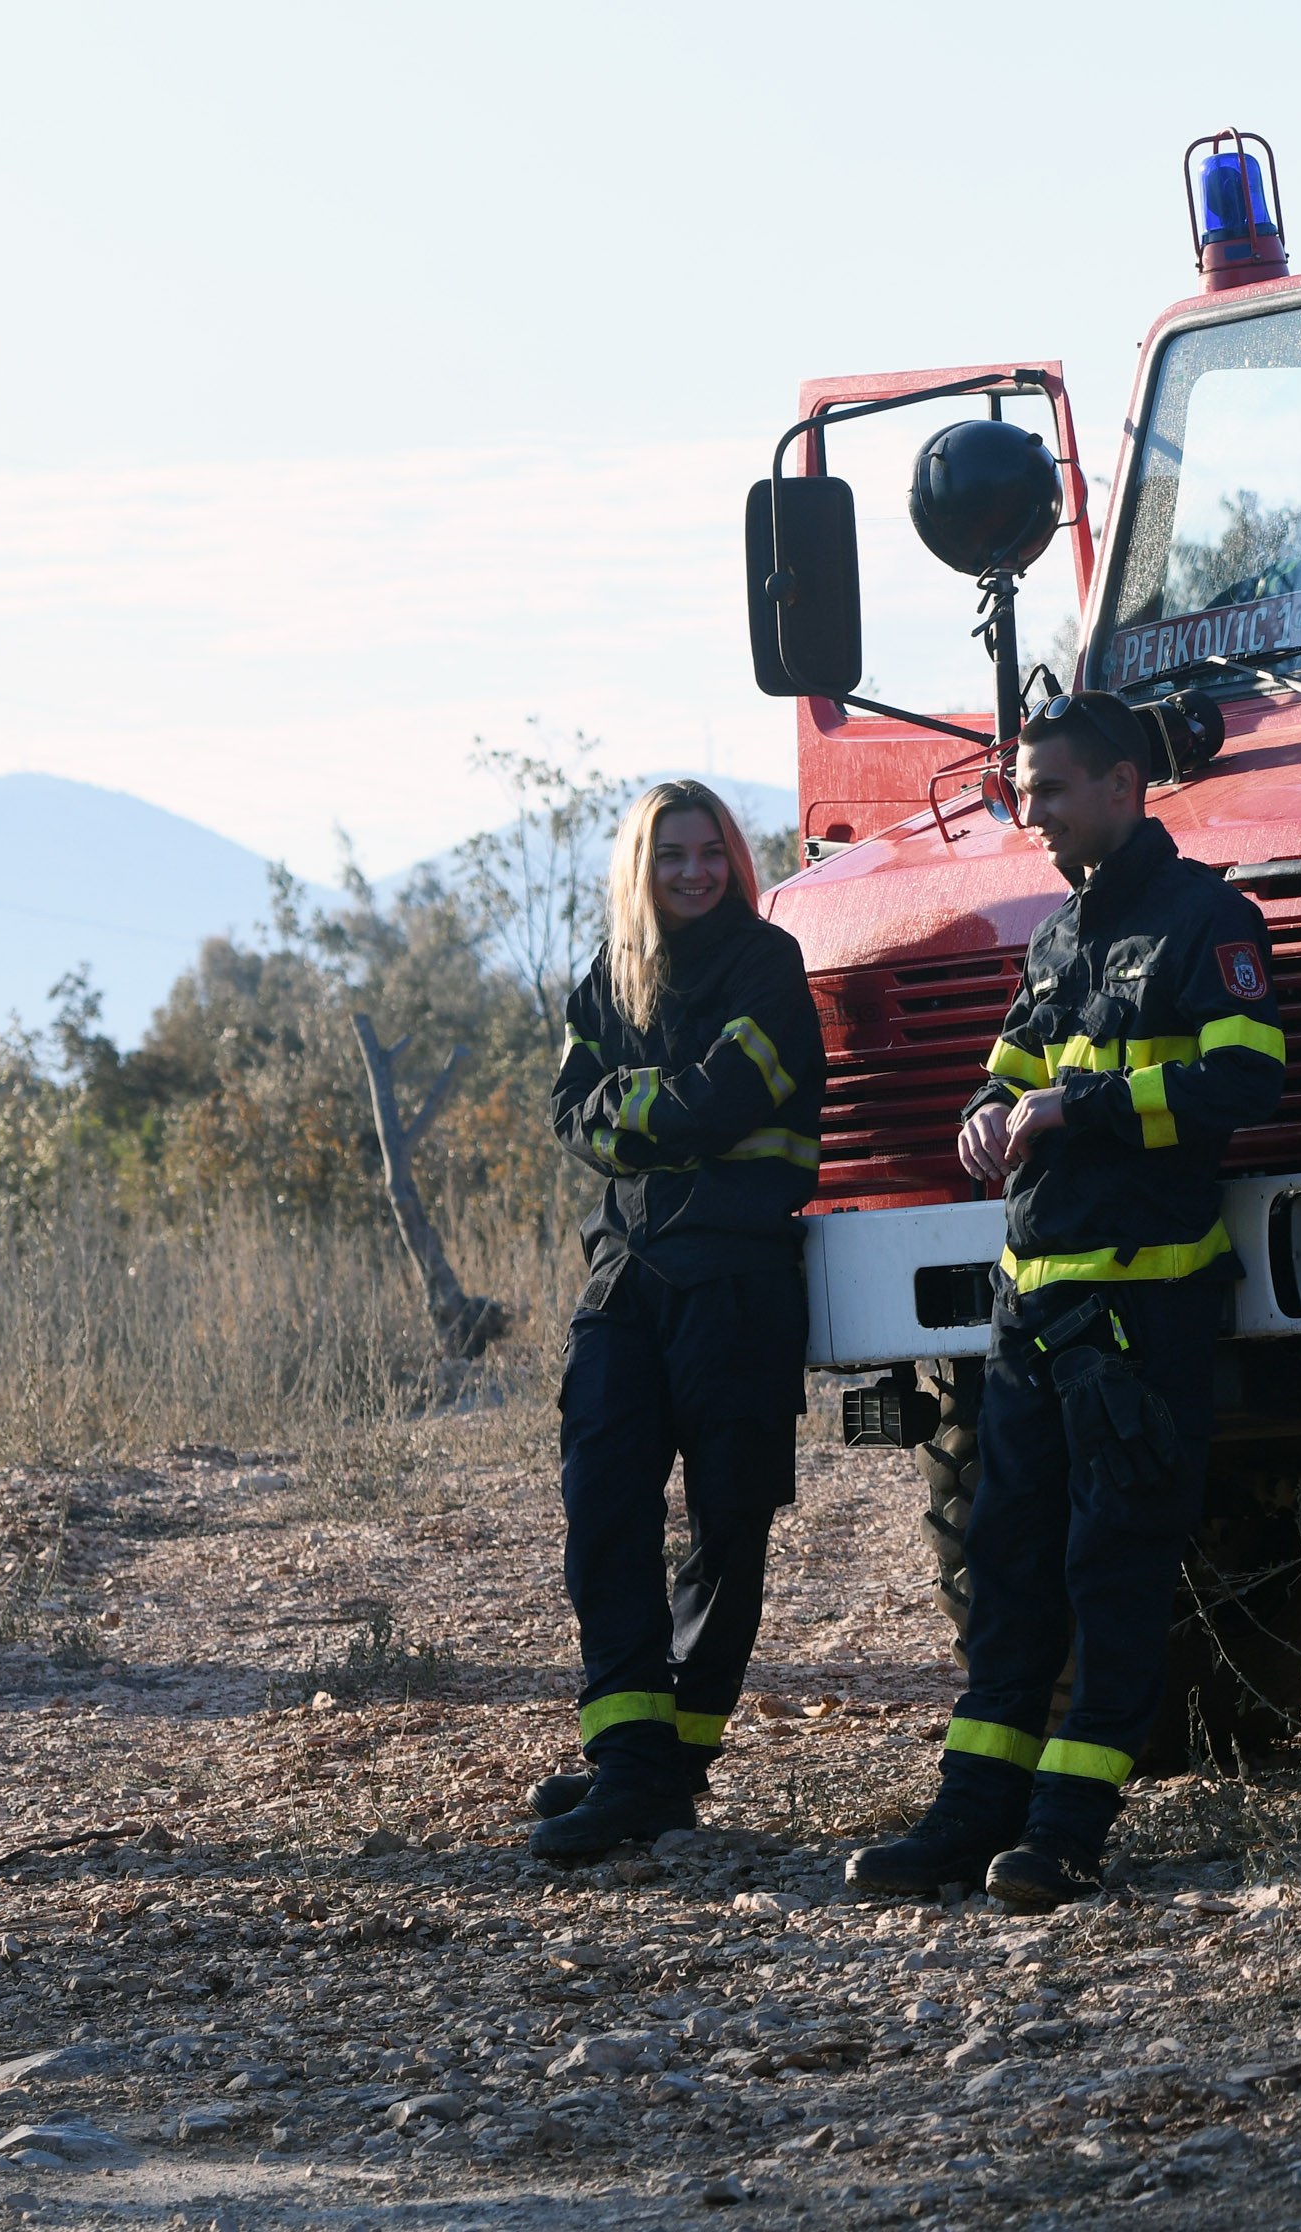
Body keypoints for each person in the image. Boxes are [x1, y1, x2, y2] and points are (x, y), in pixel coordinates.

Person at [847, 692, 1282, 1910]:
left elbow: (1246, 1081)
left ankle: (1068, 1831)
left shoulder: (1207, 921)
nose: (1027, 812)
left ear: (1122, 787)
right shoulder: (1055, 940)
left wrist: (1075, 1109)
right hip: (1030, 1315)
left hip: (1142, 1316)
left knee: (1113, 1571)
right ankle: (968, 1817)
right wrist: (983, 1118)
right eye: (1018, 791)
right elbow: (1005, 1078)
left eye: (1045, 790)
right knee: (1007, 1568)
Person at [527, 780, 824, 1863]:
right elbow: (571, 1112)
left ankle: (668, 1768)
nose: (694, 872)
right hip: (625, 1278)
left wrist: (634, 1109)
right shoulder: (607, 978)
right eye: (671, 855)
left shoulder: (767, 963)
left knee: (726, 1530)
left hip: (736, 1276)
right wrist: (653, 1110)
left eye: (710, 852)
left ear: (734, 862)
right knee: (603, 1509)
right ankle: (629, 1756)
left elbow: (720, 1101)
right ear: (638, 870)